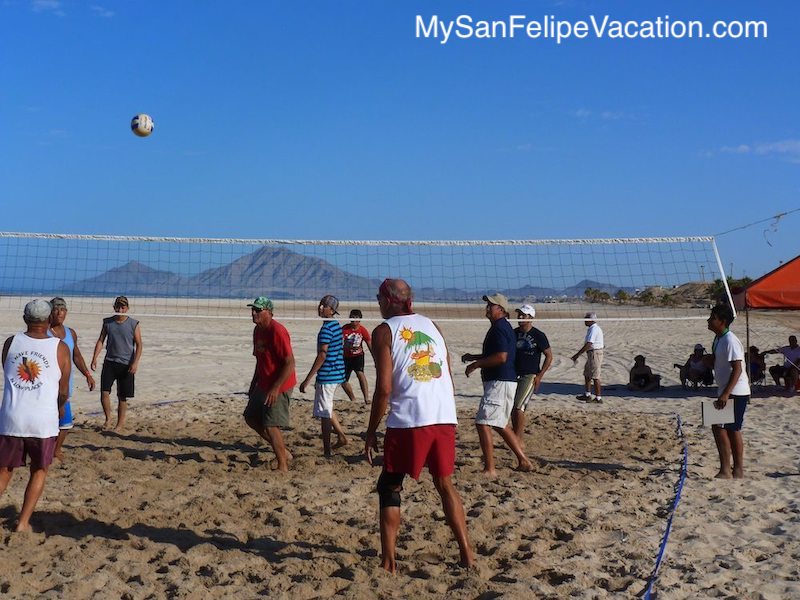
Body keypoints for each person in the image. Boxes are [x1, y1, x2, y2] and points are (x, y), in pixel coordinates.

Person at [365, 278, 474, 572]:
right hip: (443, 414)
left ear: (389, 300)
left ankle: (388, 561)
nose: (377, 302)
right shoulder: (432, 325)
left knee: (390, 485)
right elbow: (447, 369)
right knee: (444, 484)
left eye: (379, 298)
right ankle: (467, 555)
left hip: (410, 418)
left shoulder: (383, 332)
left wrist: (371, 430)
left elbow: (384, 388)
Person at [0, 299, 70, 531]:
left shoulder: (11, 342)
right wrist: (60, 409)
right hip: (42, 420)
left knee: (4, 470)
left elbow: (8, 372)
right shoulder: (60, 347)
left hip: (12, 417)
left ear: (24, 318)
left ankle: (22, 521)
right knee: (39, 470)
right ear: (49, 320)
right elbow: (63, 390)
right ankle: (22, 522)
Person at [462, 293, 533, 476]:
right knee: (499, 424)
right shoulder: (501, 327)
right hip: (503, 381)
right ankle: (523, 460)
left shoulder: (500, 328)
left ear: (500, 309)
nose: (487, 308)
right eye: (487, 305)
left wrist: (476, 364)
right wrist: (475, 357)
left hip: (500, 382)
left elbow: (501, 357)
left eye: (490, 306)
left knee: (482, 423)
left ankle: (490, 468)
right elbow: (499, 354)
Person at [244, 296, 296, 472]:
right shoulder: (257, 331)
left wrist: (275, 388)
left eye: (258, 310)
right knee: (250, 417)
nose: (253, 313)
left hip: (280, 383)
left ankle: (283, 465)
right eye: (253, 309)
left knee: (271, 424)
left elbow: (290, 363)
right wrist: (253, 385)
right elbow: (260, 361)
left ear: (269, 312)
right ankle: (284, 452)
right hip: (264, 382)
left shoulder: (277, 331)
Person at [299, 295, 349, 457]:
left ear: (332, 310)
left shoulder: (328, 329)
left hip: (328, 375)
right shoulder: (335, 325)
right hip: (335, 373)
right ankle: (341, 437)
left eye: (324, 306)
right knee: (327, 408)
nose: (320, 308)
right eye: (320, 304)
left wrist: (307, 379)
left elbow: (322, 355)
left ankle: (327, 451)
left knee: (324, 414)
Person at [48, 297, 95, 460]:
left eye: (62, 309)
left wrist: (87, 374)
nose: (59, 312)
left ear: (66, 312)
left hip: (65, 384)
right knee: (49, 420)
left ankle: (55, 450)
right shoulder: (44, 332)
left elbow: (77, 356)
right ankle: (47, 450)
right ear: (50, 311)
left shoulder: (70, 333)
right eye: (55, 309)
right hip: (48, 384)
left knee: (65, 423)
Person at [707, 304, 750, 479]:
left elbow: (738, 369)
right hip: (726, 389)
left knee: (729, 428)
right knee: (721, 427)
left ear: (722, 321)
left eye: (712, 317)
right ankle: (729, 469)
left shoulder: (730, 340)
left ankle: (732, 469)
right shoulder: (718, 339)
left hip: (735, 390)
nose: (709, 320)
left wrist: (726, 394)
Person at [90, 295, 143, 432]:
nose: (120, 309)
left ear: (127, 308)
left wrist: (135, 363)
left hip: (126, 364)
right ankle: (108, 419)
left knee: (122, 396)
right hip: (110, 362)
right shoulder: (108, 322)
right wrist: (95, 357)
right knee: (104, 392)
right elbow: (101, 340)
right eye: (118, 306)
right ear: (114, 307)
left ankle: (119, 424)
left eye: (123, 306)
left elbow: (139, 344)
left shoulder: (133, 323)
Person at [510, 304, 553, 441]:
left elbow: (549, 356)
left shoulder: (538, 335)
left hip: (529, 375)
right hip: (513, 374)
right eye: (519, 315)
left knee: (518, 407)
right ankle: (515, 436)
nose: (520, 317)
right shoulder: (514, 333)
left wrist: (539, 376)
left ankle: (518, 439)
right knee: (512, 407)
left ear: (531, 317)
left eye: (524, 315)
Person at [341, 309, 372, 404]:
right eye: (351, 318)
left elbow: (369, 343)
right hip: (346, 357)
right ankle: (353, 399)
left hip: (358, 356)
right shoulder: (345, 329)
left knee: (360, 374)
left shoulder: (362, 330)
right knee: (343, 380)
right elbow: (338, 342)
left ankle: (366, 398)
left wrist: (375, 358)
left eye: (355, 318)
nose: (353, 320)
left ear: (359, 319)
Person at [571, 312, 604, 403]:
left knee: (595, 376)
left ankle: (598, 398)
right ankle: (587, 394)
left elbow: (589, 344)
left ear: (591, 320)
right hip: (591, 354)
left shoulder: (594, 329)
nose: (584, 321)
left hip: (595, 353)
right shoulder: (591, 328)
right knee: (587, 374)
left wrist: (577, 354)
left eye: (586, 319)